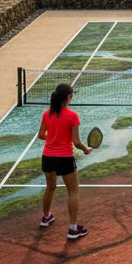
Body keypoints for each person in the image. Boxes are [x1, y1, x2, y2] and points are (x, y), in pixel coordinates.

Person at [37, 82, 92, 238]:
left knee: (50, 187)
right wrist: (85, 149)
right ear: (69, 97)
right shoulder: (73, 116)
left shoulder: (47, 114)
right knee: (73, 191)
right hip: (64, 158)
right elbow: (76, 142)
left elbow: (41, 135)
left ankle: (46, 217)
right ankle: (73, 228)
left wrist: (53, 138)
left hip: (48, 157)